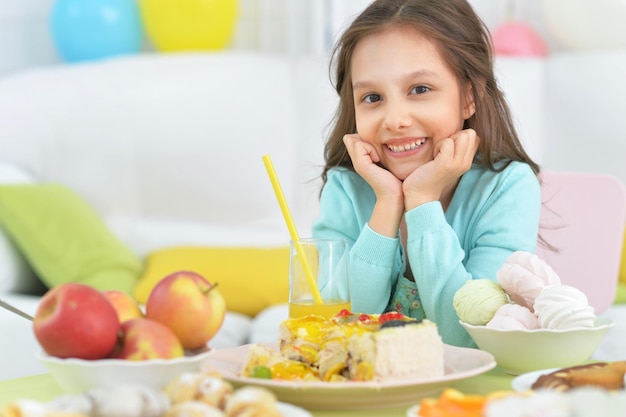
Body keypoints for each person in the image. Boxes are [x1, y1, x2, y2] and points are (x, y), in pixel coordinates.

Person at [312, 0, 542, 347]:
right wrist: (387, 203)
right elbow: (343, 328)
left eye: (419, 89)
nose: (394, 119)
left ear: (469, 96)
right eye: (372, 97)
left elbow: (464, 337)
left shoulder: (507, 188)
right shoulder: (347, 189)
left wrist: (421, 202)